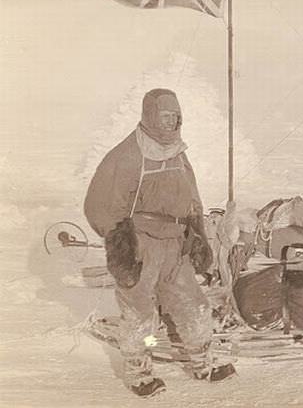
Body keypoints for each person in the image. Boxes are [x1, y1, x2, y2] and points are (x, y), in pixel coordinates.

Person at [84, 88, 236, 397]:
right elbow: (100, 205)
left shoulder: (177, 152)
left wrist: (196, 233)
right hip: (142, 244)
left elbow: (191, 195)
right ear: (150, 116)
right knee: (139, 311)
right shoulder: (128, 155)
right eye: (164, 116)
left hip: (175, 243)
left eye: (175, 117)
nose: (170, 123)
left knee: (193, 303)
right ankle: (140, 373)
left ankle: (202, 361)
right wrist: (122, 247)